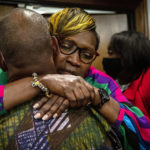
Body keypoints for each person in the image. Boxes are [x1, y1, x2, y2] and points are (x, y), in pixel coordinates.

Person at [0, 7, 150, 150]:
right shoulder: (15, 72)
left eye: (86, 55)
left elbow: (145, 135)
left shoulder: (100, 82)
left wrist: (94, 96)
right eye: (66, 46)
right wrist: (40, 82)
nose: (75, 61)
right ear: (51, 45)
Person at [102, 31, 150, 117]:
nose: (107, 57)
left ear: (127, 56)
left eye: (111, 52)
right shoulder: (113, 80)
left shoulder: (147, 81)